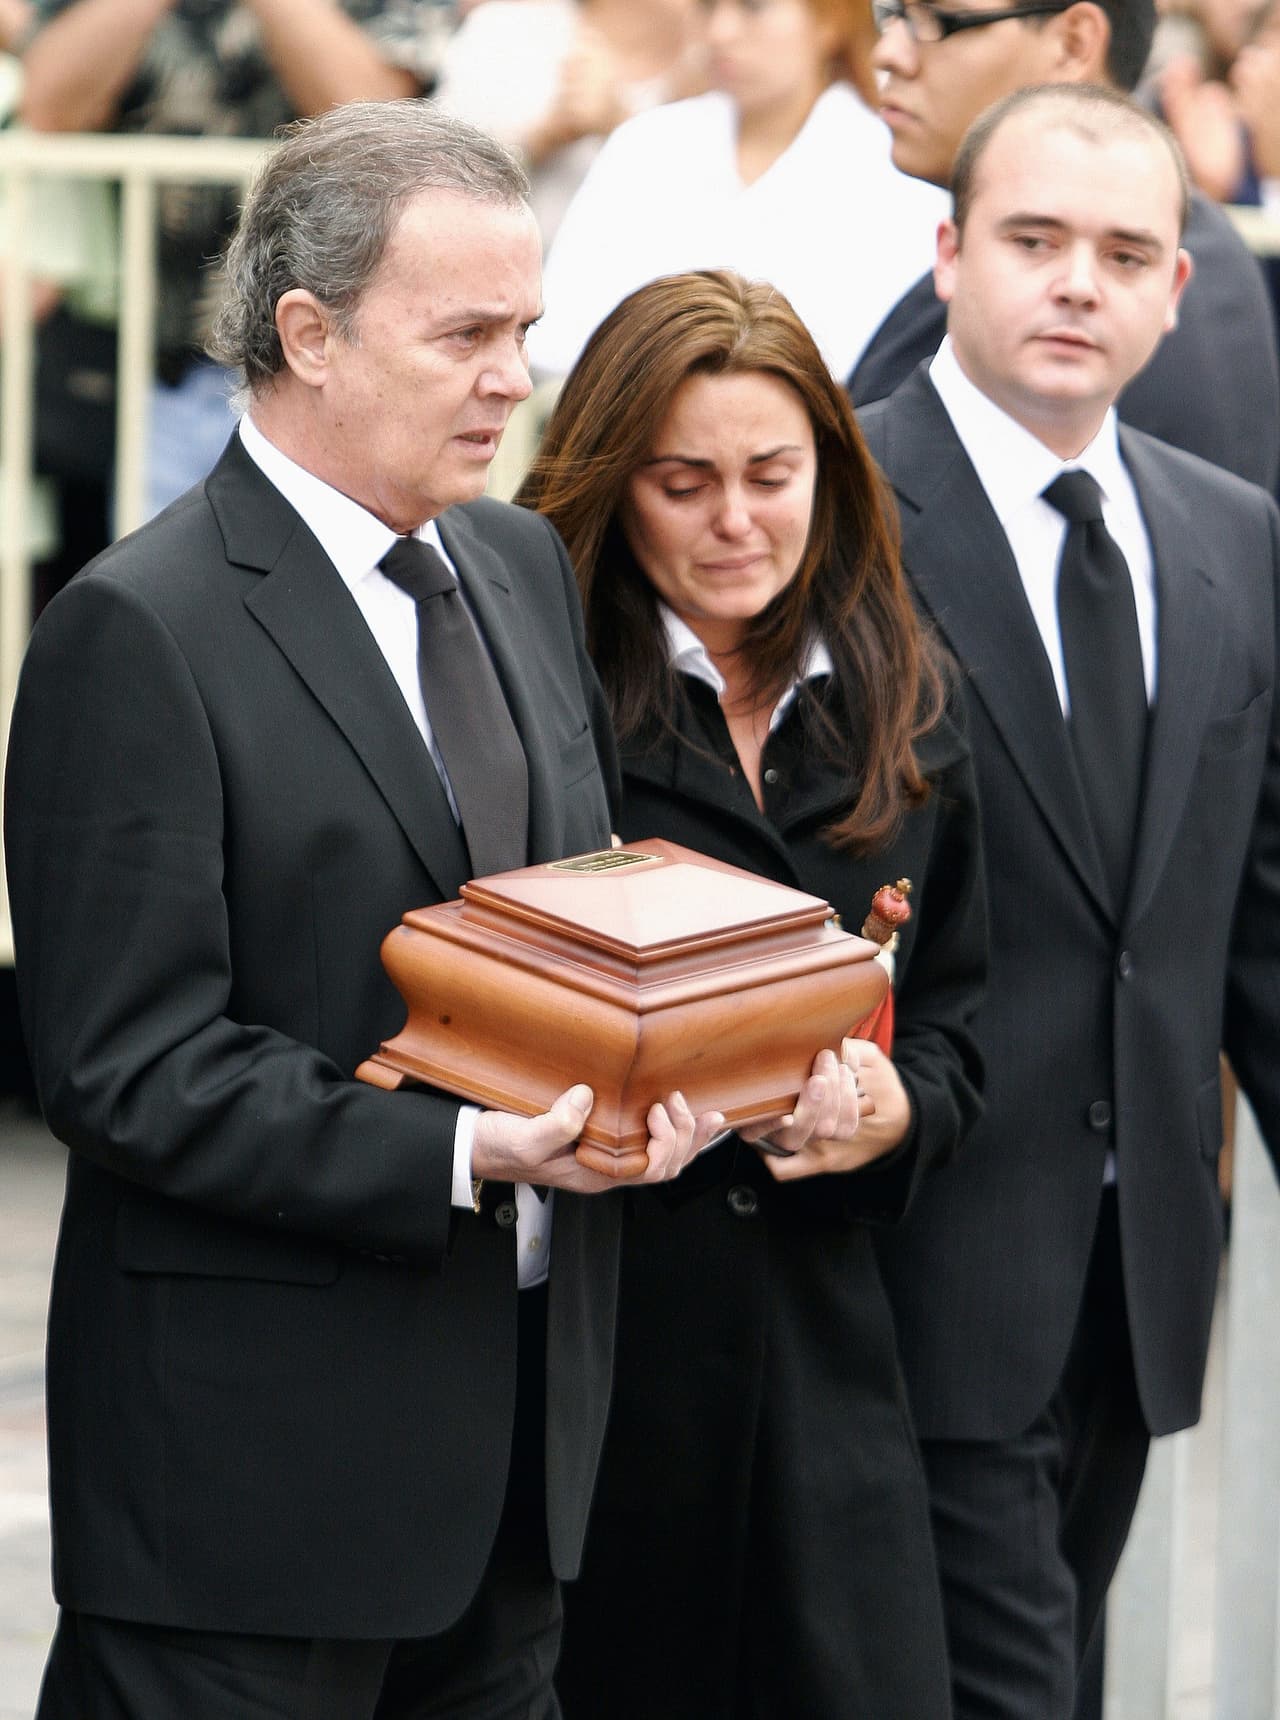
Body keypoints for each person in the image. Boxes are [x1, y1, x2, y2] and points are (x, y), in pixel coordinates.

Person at [3, 99, 732, 1718]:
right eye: (467, 333)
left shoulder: (518, 569)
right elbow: (128, 1064)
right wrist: (462, 1150)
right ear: (308, 334)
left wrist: (673, 1071)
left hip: (519, 1483)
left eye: (524, 331)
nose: (514, 376)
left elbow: (566, 926)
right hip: (249, 1517)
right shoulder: (139, 628)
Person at [857, 83, 1280, 1720]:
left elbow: (1249, 913)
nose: (1076, 283)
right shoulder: (840, 512)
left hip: (1139, 1271)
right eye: (1034, 241)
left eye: (1122, 253)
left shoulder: (1232, 539)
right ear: (951, 254)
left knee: (1056, 1672)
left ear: (1178, 291)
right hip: (917, 1248)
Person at [518, 267, 986, 1719]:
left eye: (773, 476)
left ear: (830, 477)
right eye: (684, 482)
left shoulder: (905, 695)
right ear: (613, 483)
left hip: (829, 1379)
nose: (736, 523)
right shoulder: (542, 697)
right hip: (604, 1379)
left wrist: (898, 1112)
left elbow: (971, 1021)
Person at [18, 0, 452, 518]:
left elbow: (375, 119)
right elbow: (47, 108)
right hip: (160, 370)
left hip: (332, 370)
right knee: (164, 587)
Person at [850, 0, 1280, 493]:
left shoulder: (1180, 318)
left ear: (1073, 43)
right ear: (951, 252)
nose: (889, 54)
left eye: (936, 21)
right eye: (891, 14)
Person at [526, 0, 947, 384]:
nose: (722, 31)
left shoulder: (893, 168)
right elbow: (559, 336)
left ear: (828, 20)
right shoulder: (646, 144)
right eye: (708, 6)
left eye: (753, 6)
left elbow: (885, 367)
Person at [432, 0, 704, 247]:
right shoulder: (504, 31)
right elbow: (433, 186)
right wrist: (546, 137)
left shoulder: (719, 71)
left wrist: (622, 127)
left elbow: (705, 217)